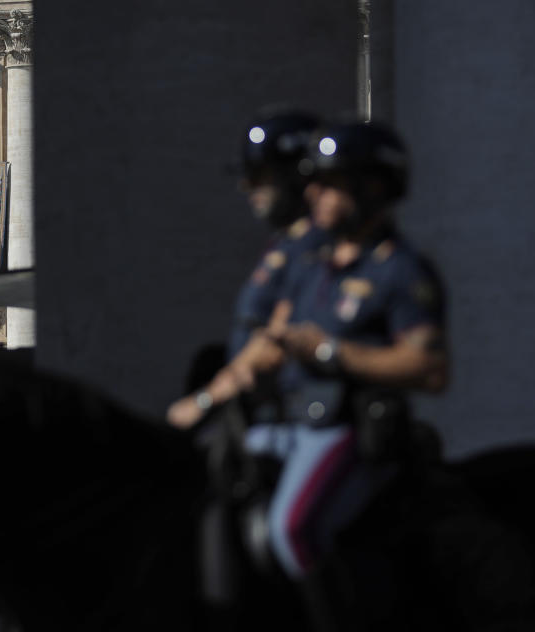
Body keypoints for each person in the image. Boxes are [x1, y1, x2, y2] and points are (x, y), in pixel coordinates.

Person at [168, 119, 449, 581]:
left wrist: (328, 353)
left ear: (372, 188)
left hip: (345, 425)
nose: (313, 193)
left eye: (328, 184)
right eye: (311, 182)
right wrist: (207, 398)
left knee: (291, 531)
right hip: (290, 421)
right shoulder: (317, 269)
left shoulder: (399, 270)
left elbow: (430, 368)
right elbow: (273, 342)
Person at [226, 108, 327, 359]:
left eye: (260, 175)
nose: (246, 185)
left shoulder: (318, 249)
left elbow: (279, 338)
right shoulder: (287, 244)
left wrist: (208, 397)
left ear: (297, 175)